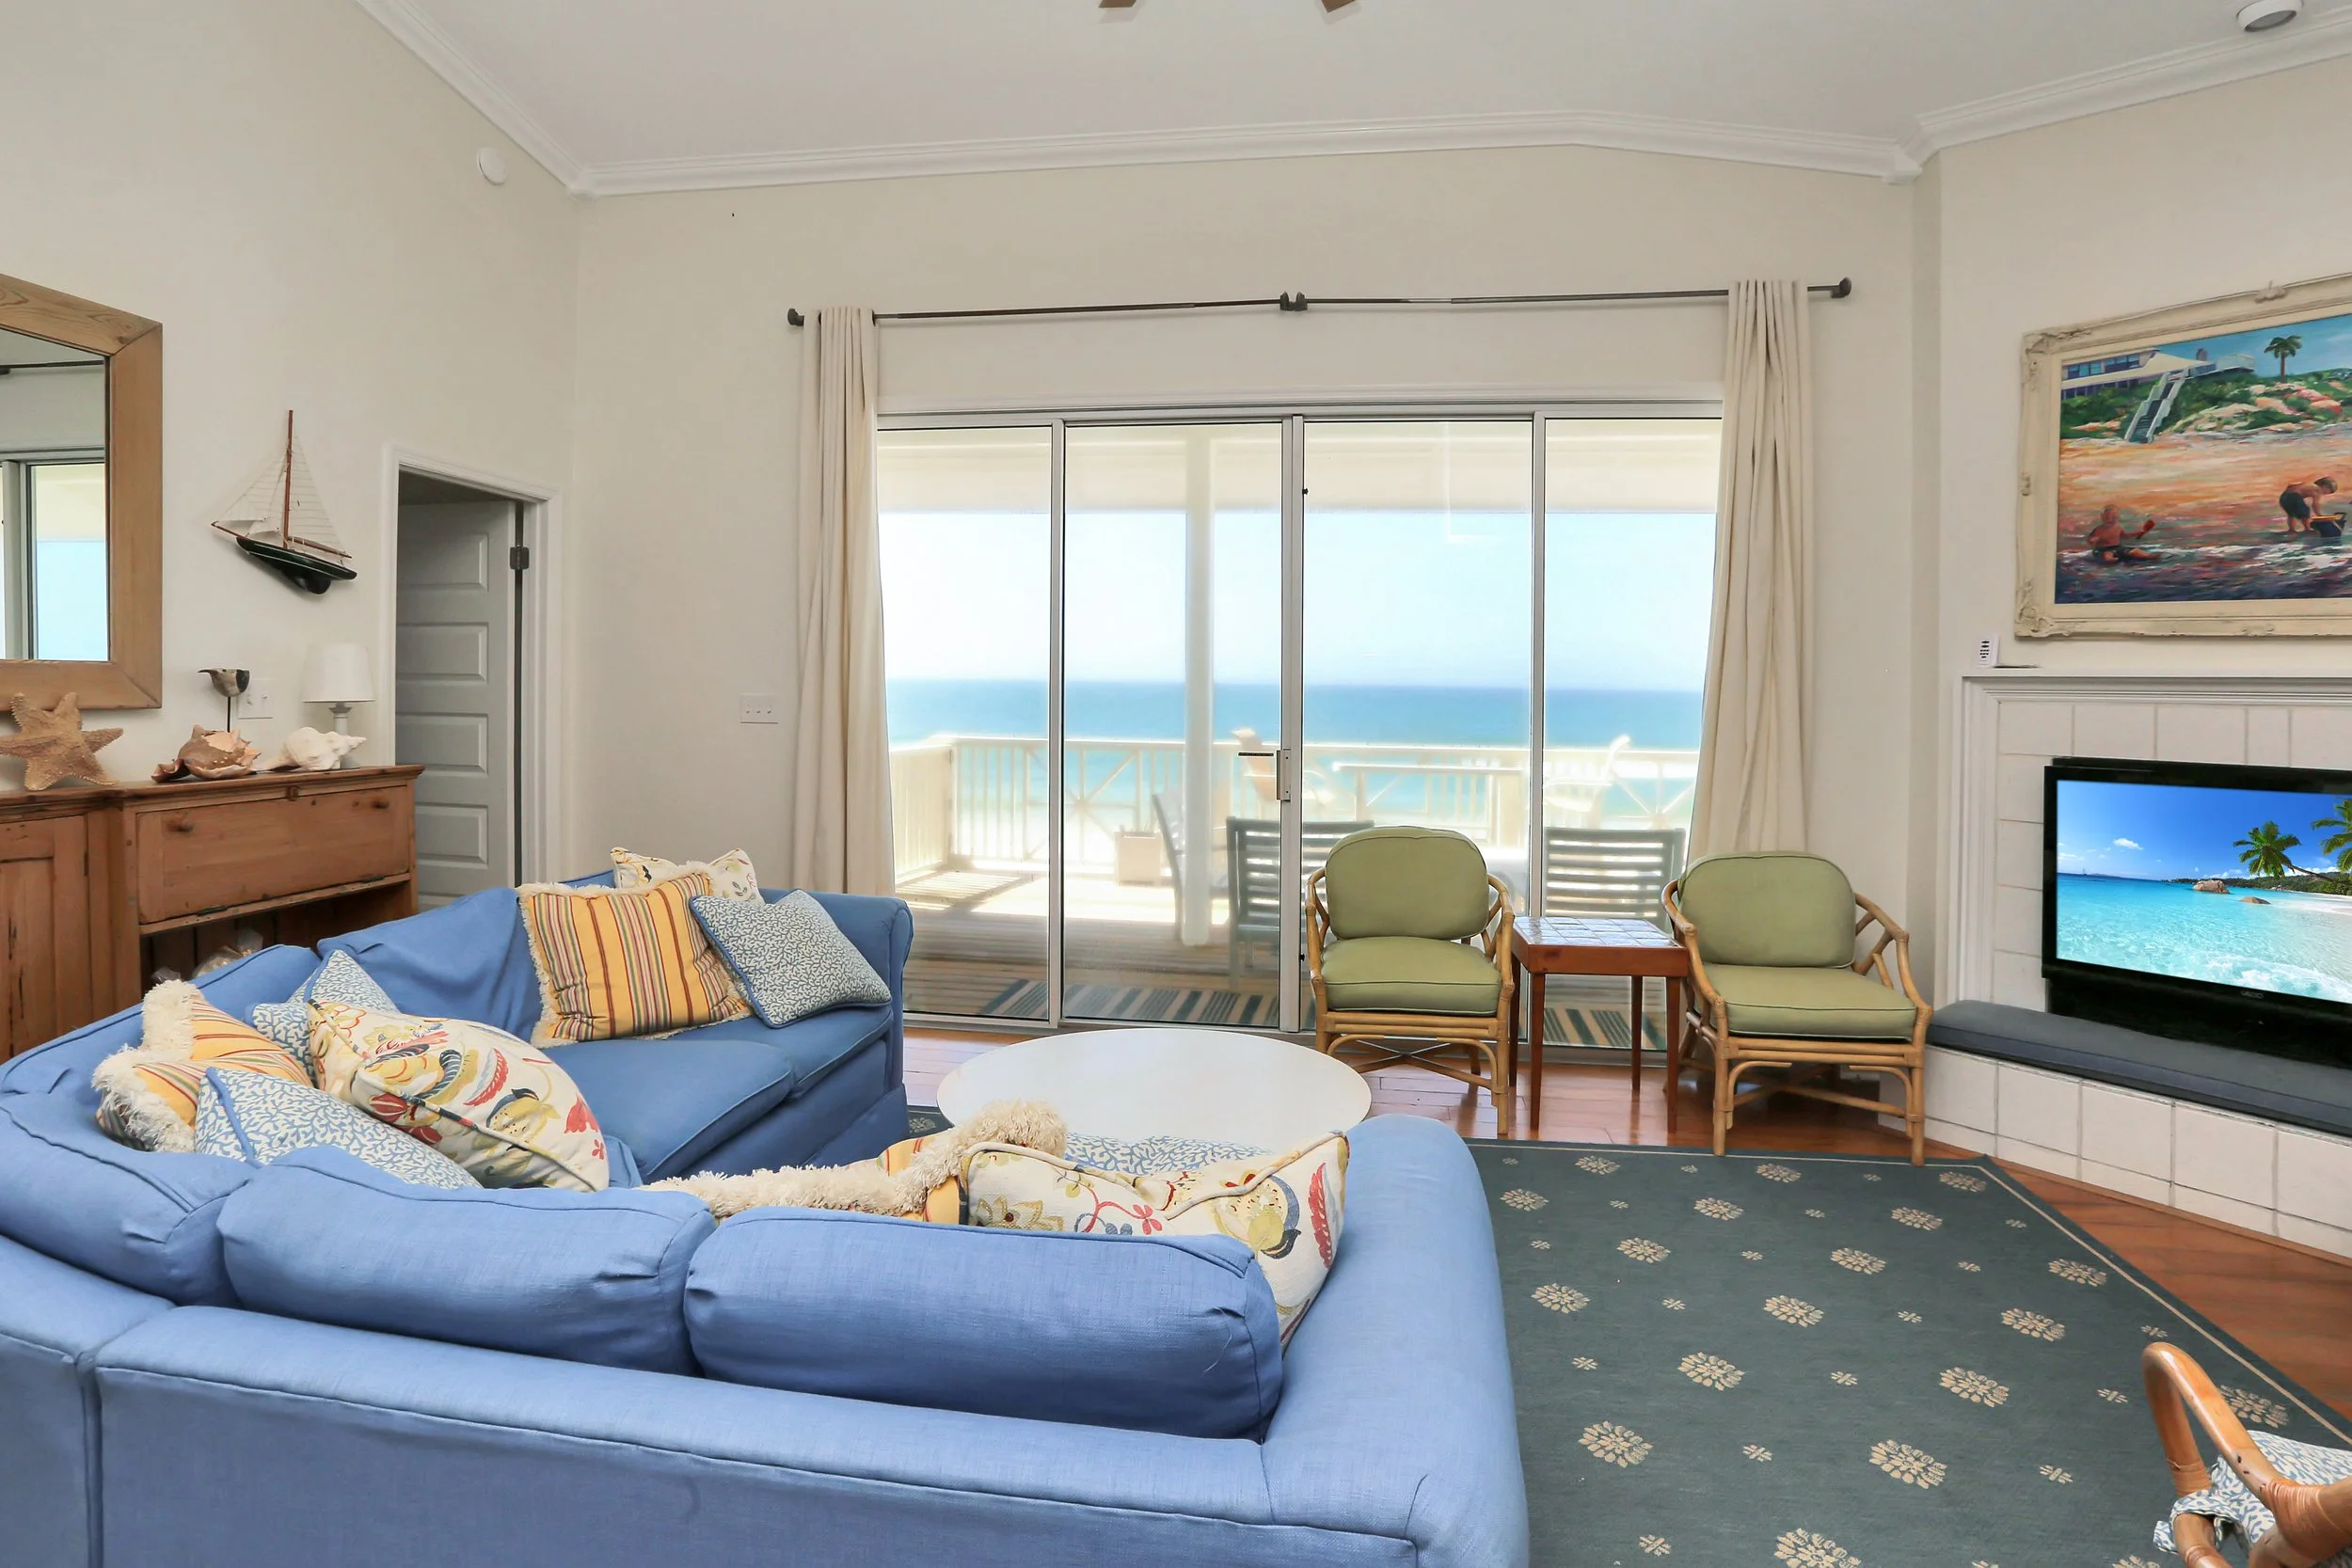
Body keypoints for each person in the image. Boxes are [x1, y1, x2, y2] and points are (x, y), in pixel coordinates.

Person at [2086, 504, 2157, 562]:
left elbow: (2124, 535)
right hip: (2104, 549)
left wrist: (2137, 533)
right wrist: (2092, 540)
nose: (2111, 520)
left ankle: (2147, 556)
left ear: (2117, 517)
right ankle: (2114, 560)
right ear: (2102, 517)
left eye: (2114, 517)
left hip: (2118, 547)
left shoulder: (2117, 527)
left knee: (2135, 551)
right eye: (2108, 517)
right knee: (2108, 555)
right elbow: (2090, 539)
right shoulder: (2099, 529)